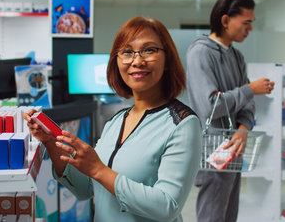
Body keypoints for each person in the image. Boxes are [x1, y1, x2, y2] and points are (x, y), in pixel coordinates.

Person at [23, 17, 202, 221]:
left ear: (167, 60)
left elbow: (167, 206)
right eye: (127, 52)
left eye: (149, 50)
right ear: (116, 62)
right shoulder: (116, 121)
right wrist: (51, 144)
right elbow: (86, 189)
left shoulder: (182, 124)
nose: (137, 61)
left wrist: (99, 170)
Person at [186, 0, 275, 222]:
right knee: (212, 215)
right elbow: (210, 107)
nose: (250, 29)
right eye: (246, 22)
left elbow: (247, 105)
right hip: (213, 150)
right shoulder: (200, 53)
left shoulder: (237, 57)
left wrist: (244, 129)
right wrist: (249, 89)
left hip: (234, 147)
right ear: (225, 20)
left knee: (228, 216)